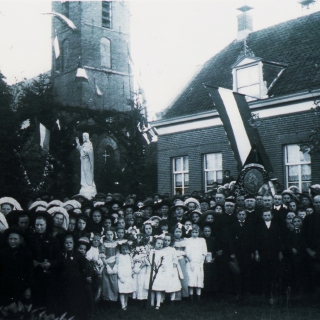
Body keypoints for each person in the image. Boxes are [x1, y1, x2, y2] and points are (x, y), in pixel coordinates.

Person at [0, 227, 33, 319]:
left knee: (21, 313)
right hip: (6, 289)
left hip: (22, 287)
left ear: (21, 240)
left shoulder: (26, 253)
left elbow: (30, 272)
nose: (12, 241)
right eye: (10, 239)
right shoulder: (3, 253)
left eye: (15, 239)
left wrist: (28, 288)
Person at [255, 210, 283, 304]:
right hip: (263, 253)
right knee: (264, 273)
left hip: (274, 253)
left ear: (272, 216)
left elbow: (279, 241)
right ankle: (266, 295)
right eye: (265, 215)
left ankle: (273, 294)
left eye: (268, 215)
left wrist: (280, 252)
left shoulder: (276, 226)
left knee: (274, 274)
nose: (267, 217)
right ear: (262, 216)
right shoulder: (259, 227)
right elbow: (256, 241)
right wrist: (257, 253)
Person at [60, 234, 89, 320]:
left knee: (76, 301)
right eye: (66, 243)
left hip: (76, 282)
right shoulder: (61, 254)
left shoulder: (78, 255)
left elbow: (83, 268)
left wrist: (83, 278)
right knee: (66, 301)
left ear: (73, 244)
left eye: (70, 243)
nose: (68, 245)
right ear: (63, 244)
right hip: (65, 282)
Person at [185, 224, 207, 301]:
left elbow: (204, 251)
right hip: (191, 261)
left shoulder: (202, 240)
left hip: (199, 262)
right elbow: (187, 251)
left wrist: (202, 261)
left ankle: (198, 295)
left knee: (199, 278)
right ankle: (191, 295)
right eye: (193, 232)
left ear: (199, 232)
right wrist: (191, 261)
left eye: (196, 232)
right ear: (190, 233)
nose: (195, 234)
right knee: (191, 278)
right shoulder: (188, 240)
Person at [75, 132, 97, 199]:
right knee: (83, 174)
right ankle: (84, 186)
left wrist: (86, 152)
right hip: (83, 162)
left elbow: (90, 154)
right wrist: (78, 143)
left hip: (88, 163)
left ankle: (89, 186)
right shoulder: (84, 144)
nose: (83, 138)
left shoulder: (89, 145)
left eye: (84, 137)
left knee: (88, 174)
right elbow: (80, 150)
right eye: (83, 137)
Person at [171, 223, 189, 299]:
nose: (178, 234)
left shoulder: (184, 240)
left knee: (183, 276)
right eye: (176, 232)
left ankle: (184, 294)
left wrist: (183, 254)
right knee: (175, 277)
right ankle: (176, 296)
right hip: (174, 259)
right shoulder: (172, 241)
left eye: (180, 232)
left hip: (182, 259)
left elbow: (186, 251)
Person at [162, 233, 181, 303]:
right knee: (163, 283)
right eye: (165, 240)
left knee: (172, 283)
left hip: (171, 268)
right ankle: (163, 299)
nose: (166, 242)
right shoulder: (161, 249)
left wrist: (174, 269)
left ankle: (172, 300)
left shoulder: (172, 249)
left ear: (170, 241)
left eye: (168, 240)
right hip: (164, 268)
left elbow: (175, 260)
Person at [101, 228, 119, 302]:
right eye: (107, 234)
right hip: (107, 263)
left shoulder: (116, 243)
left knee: (114, 281)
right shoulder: (103, 244)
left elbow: (117, 255)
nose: (109, 236)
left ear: (113, 235)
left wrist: (116, 265)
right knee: (106, 282)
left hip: (114, 263)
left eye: (111, 234)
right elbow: (102, 255)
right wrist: (107, 265)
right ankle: (107, 299)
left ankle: (114, 298)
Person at [117, 243, 135, 310]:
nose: (124, 251)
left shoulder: (129, 256)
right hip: (122, 276)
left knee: (127, 292)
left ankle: (126, 304)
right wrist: (120, 276)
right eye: (123, 249)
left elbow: (130, 265)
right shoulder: (119, 256)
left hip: (128, 276)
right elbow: (119, 267)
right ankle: (122, 305)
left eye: (126, 249)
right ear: (121, 250)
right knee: (122, 292)